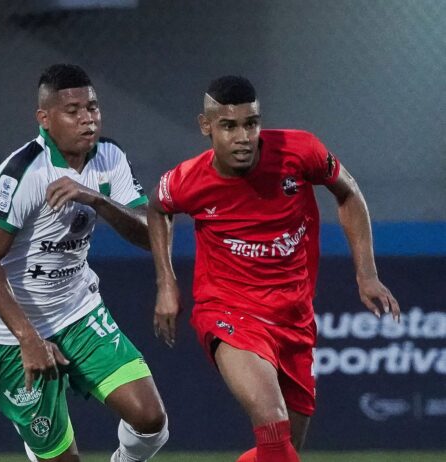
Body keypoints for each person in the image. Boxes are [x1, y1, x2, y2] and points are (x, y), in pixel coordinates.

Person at [147, 75, 400, 462]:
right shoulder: (188, 180)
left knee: (283, 452)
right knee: (271, 421)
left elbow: (348, 192)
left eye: (251, 123)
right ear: (206, 126)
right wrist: (167, 283)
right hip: (229, 311)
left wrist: (366, 274)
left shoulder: (300, 151)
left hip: (295, 317)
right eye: (229, 126)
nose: (243, 137)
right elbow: (157, 208)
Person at [0, 64, 168, 462]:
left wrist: (96, 199)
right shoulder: (22, 174)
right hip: (13, 334)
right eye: (73, 111)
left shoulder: (109, 157)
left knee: (151, 420)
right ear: (44, 119)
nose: (87, 119)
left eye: (92, 107)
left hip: (78, 312)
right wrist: (28, 338)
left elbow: (151, 233)